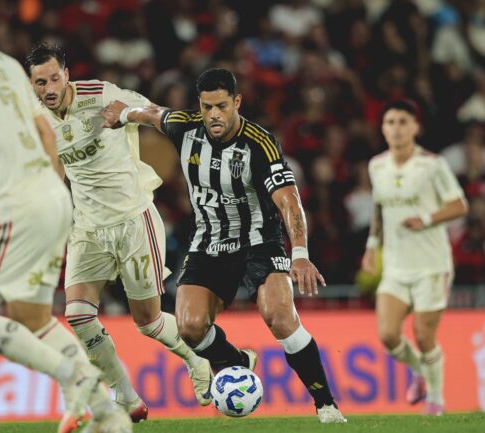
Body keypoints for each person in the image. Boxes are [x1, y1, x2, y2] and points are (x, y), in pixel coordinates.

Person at [0, 2, 131, 432]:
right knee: (31, 316)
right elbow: (46, 133)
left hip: (18, 204)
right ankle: (108, 415)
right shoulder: (5, 62)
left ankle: (79, 378)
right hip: (54, 195)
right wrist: (51, 191)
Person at [100, 68, 346, 424]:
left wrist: (301, 255)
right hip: (209, 243)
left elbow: (289, 201)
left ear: (237, 103)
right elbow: (154, 114)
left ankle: (326, 404)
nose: (214, 114)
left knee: (279, 316)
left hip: (259, 242)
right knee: (189, 327)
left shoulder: (259, 143)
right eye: (207, 106)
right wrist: (123, 114)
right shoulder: (185, 126)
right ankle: (236, 361)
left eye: (221, 106)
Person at [25, 43, 212, 420]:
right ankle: (125, 396)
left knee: (149, 323)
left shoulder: (102, 94)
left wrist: (127, 113)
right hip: (88, 228)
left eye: (54, 78)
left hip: (131, 220)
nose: (48, 88)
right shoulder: (35, 119)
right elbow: (54, 171)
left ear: (67, 73)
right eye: (39, 81)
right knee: (77, 314)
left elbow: (157, 115)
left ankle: (199, 361)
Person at [361, 100, 468, 416]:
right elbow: (379, 208)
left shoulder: (432, 165)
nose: (396, 128)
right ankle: (420, 371)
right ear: (382, 128)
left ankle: (435, 399)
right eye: (390, 122)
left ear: (416, 127)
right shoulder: (376, 166)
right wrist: (371, 245)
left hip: (431, 266)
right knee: (388, 336)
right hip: (395, 266)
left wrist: (426, 218)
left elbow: (460, 205)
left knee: (423, 336)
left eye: (403, 121)